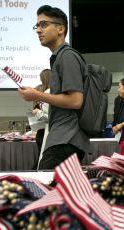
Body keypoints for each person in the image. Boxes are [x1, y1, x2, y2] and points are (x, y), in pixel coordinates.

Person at [18, 5, 89, 170]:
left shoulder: (68, 56)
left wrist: (37, 95)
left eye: (43, 24)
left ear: (60, 29)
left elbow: (75, 100)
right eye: (37, 26)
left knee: (45, 188)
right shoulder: (60, 57)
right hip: (63, 137)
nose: (38, 30)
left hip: (66, 138)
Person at [32, 69, 51, 163]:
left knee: (44, 161)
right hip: (46, 132)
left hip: (46, 132)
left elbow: (47, 116)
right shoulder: (55, 93)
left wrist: (37, 112)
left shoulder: (47, 93)